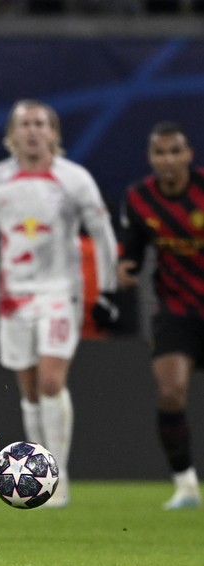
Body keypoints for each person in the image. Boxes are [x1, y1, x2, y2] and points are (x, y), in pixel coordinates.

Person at [0, 99, 119, 508]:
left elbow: (102, 233)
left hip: (58, 293)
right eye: (24, 124)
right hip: (14, 297)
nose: (33, 131)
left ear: (54, 132)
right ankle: (41, 471)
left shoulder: (73, 178)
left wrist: (107, 290)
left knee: (52, 381)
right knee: (31, 392)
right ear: (11, 135)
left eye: (40, 123)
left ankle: (59, 476)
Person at [118, 121, 203, 510]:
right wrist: (126, 268)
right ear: (150, 158)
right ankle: (186, 485)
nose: (167, 160)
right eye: (159, 153)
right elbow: (132, 250)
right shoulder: (139, 199)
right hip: (176, 308)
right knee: (170, 392)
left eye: (174, 151)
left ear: (188, 154)